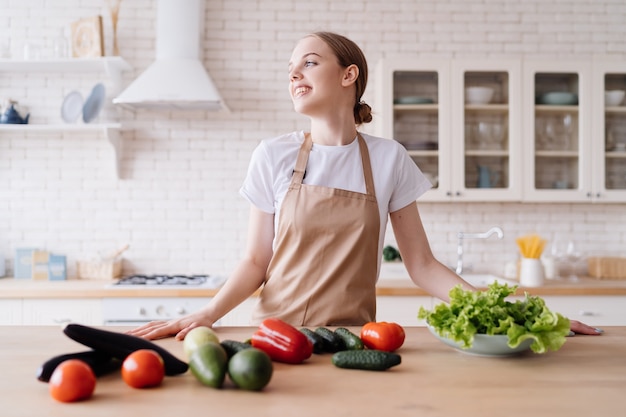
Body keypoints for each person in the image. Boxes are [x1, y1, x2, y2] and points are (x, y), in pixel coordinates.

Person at [129, 31, 602, 341]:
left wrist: (506, 309)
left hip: (357, 342)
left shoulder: (388, 158)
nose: (294, 73)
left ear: (348, 75)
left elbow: (422, 265)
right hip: (276, 339)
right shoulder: (272, 155)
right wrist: (206, 314)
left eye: (309, 63)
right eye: (291, 66)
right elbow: (256, 261)